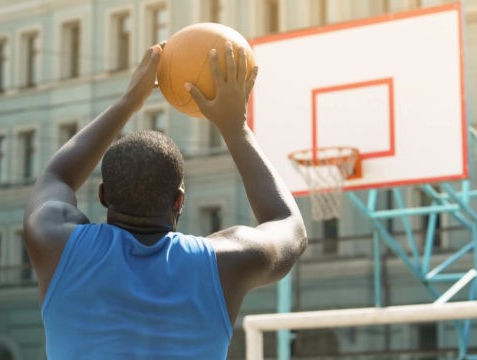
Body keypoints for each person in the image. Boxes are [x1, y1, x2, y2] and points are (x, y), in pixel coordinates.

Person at [23, 41, 307, 359]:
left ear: (103, 195)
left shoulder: (56, 243)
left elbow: (56, 176)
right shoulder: (223, 264)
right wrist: (235, 127)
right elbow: (290, 226)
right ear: (179, 201)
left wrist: (129, 101)